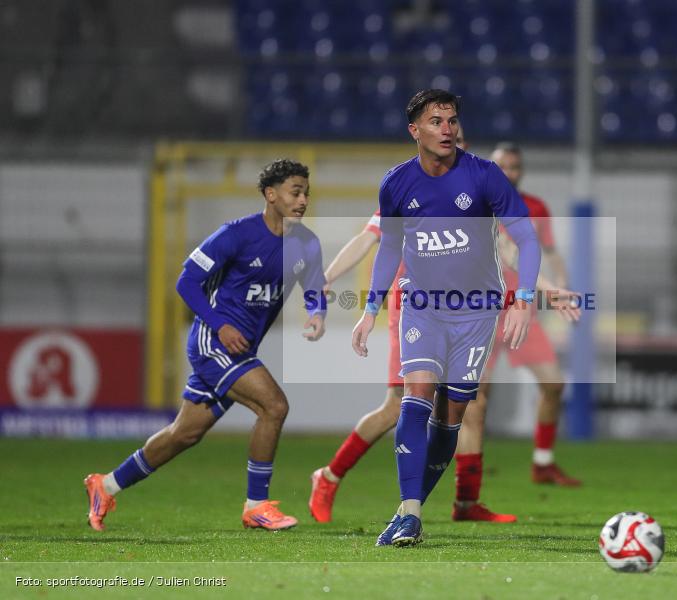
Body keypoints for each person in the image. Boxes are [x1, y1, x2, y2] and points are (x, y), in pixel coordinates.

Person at [84, 159, 327, 532]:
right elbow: (186, 282)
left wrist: (317, 313)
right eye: (295, 191)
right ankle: (256, 505)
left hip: (241, 350)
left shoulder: (306, 243)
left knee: (185, 433)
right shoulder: (237, 234)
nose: (303, 199)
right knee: (274, 407)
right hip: (213, 340)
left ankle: (106, 485)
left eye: (306, 192)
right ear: (271, 194)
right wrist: (220, 325)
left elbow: (314, 288)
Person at [351, 89, 542, 547]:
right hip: (422, 306)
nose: (447, 128)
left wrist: (524, 299)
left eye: (452, 120)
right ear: (414, 130)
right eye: (436, 121)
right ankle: (412, 513)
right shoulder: (396, 183)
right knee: (415, 400)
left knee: (451, 418)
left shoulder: (485, 176)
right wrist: (368, 310)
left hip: (476, 313)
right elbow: (390, 248)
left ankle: (405, 510)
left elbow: (528, 241)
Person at [466, 142, 582, 489]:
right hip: (483, 312)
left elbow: (550, 252)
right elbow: (504, 257)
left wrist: (562, 285)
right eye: (503, 167)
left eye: (515, 167)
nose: (510, 173)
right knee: (474, 396)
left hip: (522, 311)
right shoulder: (476, 205)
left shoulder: (534, 208)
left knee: (554, 384)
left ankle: (542, 463)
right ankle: (469, 472)